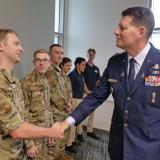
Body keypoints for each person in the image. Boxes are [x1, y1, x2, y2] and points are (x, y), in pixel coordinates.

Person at [59, 7, 160, 160]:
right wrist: (67, 122)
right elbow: (96, 97)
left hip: (149, 149)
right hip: (117, 145)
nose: (116, 31)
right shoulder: (115, 63)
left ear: (141, 31)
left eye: (122, 28)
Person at [0, 28, 63, 160]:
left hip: (19, 148)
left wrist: (49, 130)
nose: (21, 49)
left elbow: (24, 114)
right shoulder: (21, 82)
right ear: (1, 46)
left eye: (45, 60)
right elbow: (17, 129)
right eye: (16, 44)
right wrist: (48, 133)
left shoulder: (14, 81)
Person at [21, 49, 54, 159]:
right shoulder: (26, 83)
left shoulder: (45, 81)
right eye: (38, 60)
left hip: (45, 132)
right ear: (33, 62)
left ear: (49, 63)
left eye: (45, 60)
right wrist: (29, 144)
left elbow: (48, 108)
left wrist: (51, 131)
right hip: (33, 136)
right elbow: (22, 115)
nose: (41, 63)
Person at [46, 44, 73, 160]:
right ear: (50, 54)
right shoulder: (49, 70)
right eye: (56, 52)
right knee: (54, 139)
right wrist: (67, 106)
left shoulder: (58, 71)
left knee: (63, 136)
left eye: (61, 53)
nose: (60, 55)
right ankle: (56, 156)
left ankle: (60, 154)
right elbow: (54, 93)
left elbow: (65, 90)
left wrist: (70, 102)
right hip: (54, 111)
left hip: (63, 110)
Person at [68, 57, 90, 143]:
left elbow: (83, 85)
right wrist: (69, 102)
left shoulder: (80, 74)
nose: (85, 66)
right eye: (83, 65)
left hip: (80, 99)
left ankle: (77, 137)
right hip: (74, 100)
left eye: (85, 65)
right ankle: (71, 142)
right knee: (73, 122)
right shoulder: (72, 75)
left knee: (79, 120)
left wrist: (89, 92)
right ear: (77, 65)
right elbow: (68, 90)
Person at [59, 57, 76, 153]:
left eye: (70, 65)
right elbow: (60, 95)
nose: (69, 67)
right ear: (61, 65)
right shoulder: (59, 77)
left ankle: (63, 151)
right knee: (60, 133)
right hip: (62, 109)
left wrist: (71, 105)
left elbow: (69, 92)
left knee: (67, 131)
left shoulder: (67, 77)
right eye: (67, 65)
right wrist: (67, 105)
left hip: (68, 107)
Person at [83, 48, 100, 139]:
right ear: (87, 55)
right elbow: (81, 80)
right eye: (89, 54)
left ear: (94, 55)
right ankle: (79, 133)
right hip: (84, 93)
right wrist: (87, 91)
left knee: (91, 113)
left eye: (92, 55)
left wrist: (94, 92)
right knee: (80, 112)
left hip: (93, 95)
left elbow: (98, 81)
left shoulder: (96, 68)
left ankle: (90, 131)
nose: (91, 56)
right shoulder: (83, 66)